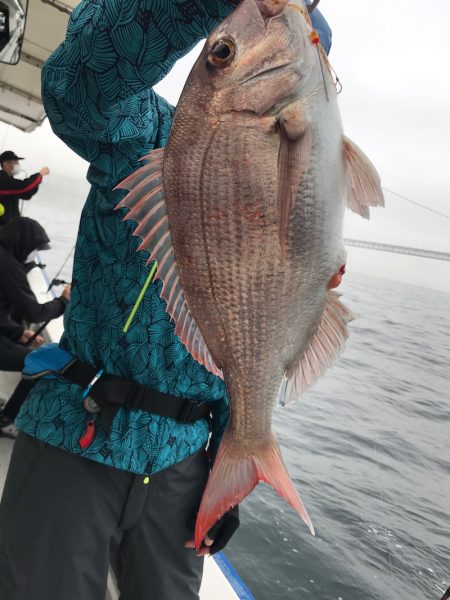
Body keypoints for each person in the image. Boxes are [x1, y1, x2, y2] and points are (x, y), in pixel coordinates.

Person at [0, 3, 332, 600]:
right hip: (76, 431)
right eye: (227, 48)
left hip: (185, 465)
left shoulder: (307, 187)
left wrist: (231, 475)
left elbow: (254, 344)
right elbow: (79, 81)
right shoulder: (141, 133)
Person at [0, 217, 70, 436]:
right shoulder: (9, 267)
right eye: (34, 248)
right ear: (24, 242)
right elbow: (33, 312)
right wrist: (63, 302)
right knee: (39, 365)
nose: (33, 254)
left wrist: (19, 332)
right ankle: (6, 420)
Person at [0, 151, 50, 226]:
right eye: (15, 162)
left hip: (9, 228)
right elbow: (24, 187)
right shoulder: (2, 179)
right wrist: (40, 174)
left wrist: (37, 180)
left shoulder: (8, 180)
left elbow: (26, 194)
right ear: (5, 164)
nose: (18, 165)